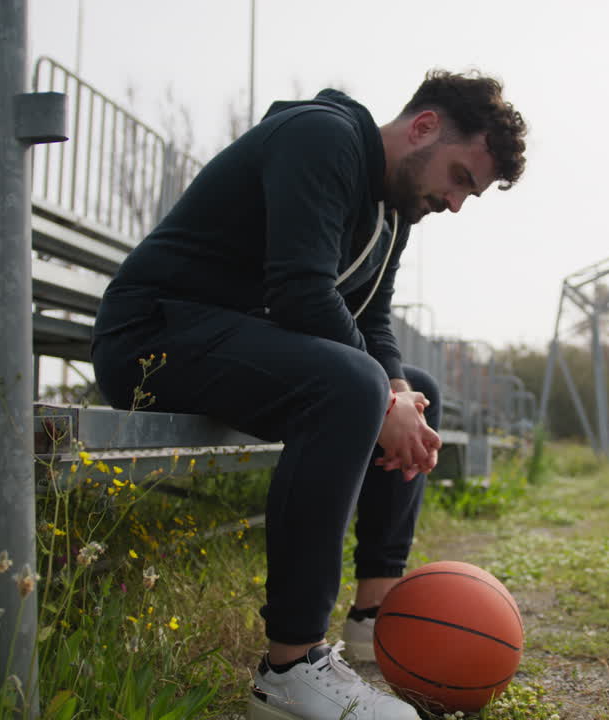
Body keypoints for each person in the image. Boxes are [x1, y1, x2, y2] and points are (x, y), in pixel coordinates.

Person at [91, 69, 527, 720]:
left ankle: (375, 619)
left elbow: (372, 321)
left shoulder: (392, 211)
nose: (457, 202)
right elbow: (301, 290)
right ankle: (290, 668)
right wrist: (381, 397)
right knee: (354, 386)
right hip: (153, 336)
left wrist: (402, 397)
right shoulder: (321, 138)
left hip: (230, 342)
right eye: (461, 177)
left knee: (416, 388)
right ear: (425, 127)